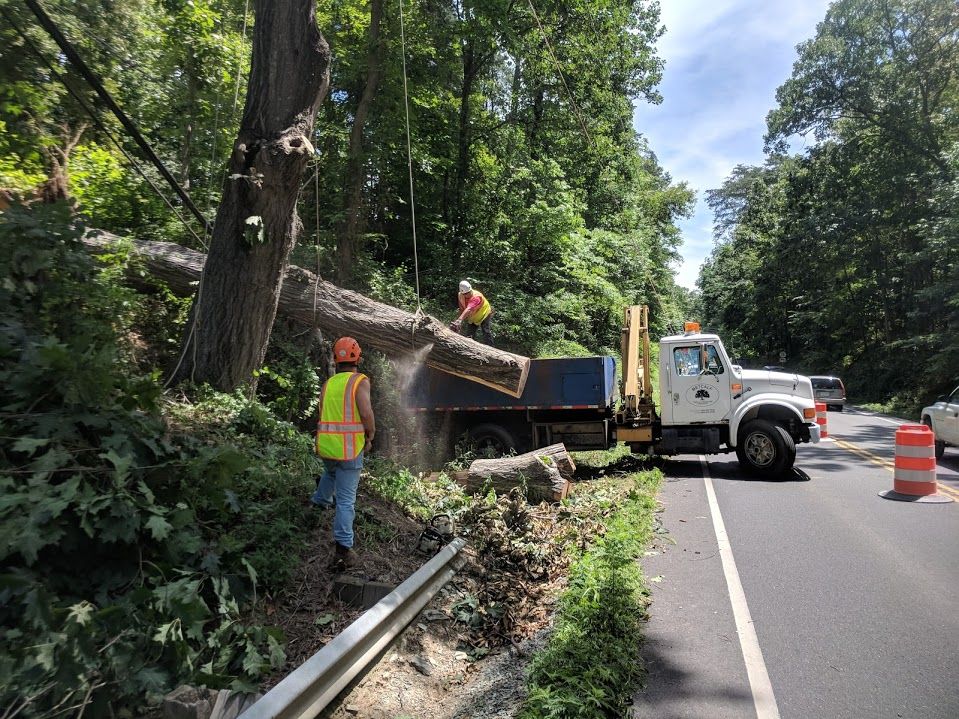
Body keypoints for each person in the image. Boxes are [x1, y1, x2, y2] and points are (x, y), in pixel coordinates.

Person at [312, 337, 376, 571]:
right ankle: (343, 549)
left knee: (329, 474)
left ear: (336, 359)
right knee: (346, 500)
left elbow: (321, 413)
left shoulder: (328, 384)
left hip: (327, 446)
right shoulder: (359, 381)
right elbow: (366, 414)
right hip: (349, 449)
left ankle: (317, 505)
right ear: (357, 358)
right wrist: (370, 436)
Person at [450, 280, 495, 346]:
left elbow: (468, 309)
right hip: (473, 317)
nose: (468, 294)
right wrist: (458, 322)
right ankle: (468, 347)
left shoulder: (476, 297)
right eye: (466, 294)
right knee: (469, 335)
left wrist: (459, 320)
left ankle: (491, 349)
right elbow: (462, 309)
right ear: (463, 293)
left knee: (486, 332)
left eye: (469, 292)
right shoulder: (460, 295)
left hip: (484, 313)